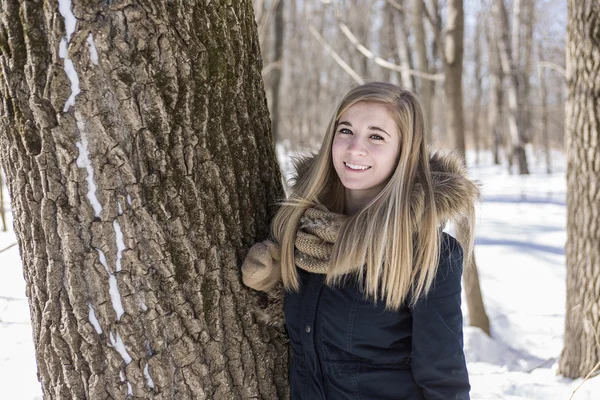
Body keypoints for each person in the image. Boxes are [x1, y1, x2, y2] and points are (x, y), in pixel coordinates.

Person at [242, 82, 478, 399]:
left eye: (376, 136)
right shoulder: (302, 232)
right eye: (345, 131)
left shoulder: (428, 254)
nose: (355, 148)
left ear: (404, 152)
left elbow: (444, 380)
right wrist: (275, 281)